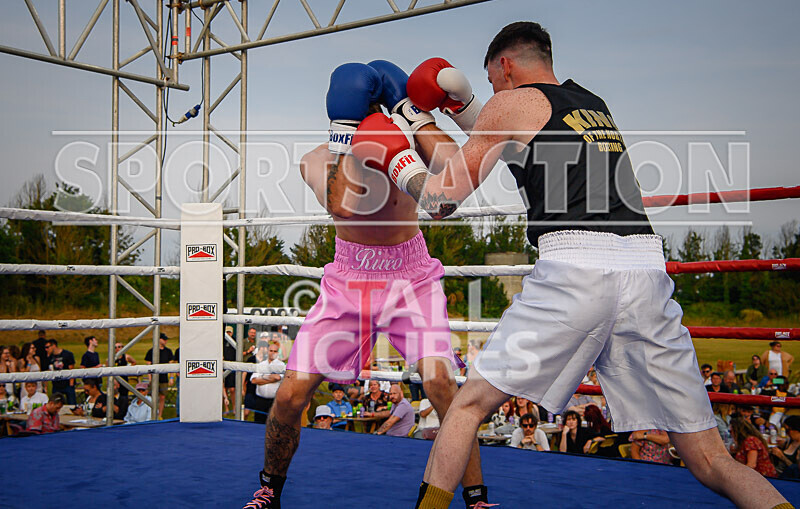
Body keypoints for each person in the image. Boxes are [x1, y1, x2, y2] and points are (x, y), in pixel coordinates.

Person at [360, 22, 794, 508]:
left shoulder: (509, 103)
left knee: (466, 407)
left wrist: (399, 159)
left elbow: (442, 200)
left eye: (492, 81)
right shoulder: (592, 105)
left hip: (578, 270)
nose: (492, 92)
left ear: (505, 65)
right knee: (711, 459)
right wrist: (449, 111)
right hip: (647, 273)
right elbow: (516, 146)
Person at [250, 342, 285, 420]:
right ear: (268, 351)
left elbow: (278, 378)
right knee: (258, 422)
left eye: (275, 351)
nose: (272, 353)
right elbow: (254, 380)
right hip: (260, 401)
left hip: (274, 401)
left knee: (273, 423)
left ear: (278, 353)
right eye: (271, 351)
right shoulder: (261, 364)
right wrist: (270, 378)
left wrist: (262, 377)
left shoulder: (282, 365)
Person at [144, 332, 174, 419]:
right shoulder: (151, 351)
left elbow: (171, 366)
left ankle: (160, 415)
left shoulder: (168, 351)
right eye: (164, 339)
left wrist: (171, 378)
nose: (166, 341)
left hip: (164, 378)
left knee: (162, 397)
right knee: (153, 397)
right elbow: (148, 365)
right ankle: (151, 414)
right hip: (154, 378)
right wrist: (150, 378)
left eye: (166, 339)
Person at [244, 341, 271, 424]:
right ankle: (243, 423)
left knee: (261, 412)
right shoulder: (251, 359)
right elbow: (244, 373)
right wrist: (242, 387)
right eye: (265, 348)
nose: (266, 350)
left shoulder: (267, 360)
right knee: (246, 412)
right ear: (260, 348)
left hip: (261, 387)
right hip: (251, 387)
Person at [45, 339, 76, 404]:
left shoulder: (67, 354)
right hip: (56, 385)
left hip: (67, 383)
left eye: (47, 347)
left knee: (71, 403)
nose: (46, 349)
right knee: (55, 403)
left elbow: (71, 369)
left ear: (53, 345)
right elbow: (48, 370)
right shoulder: (49, 357)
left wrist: (71, 383)